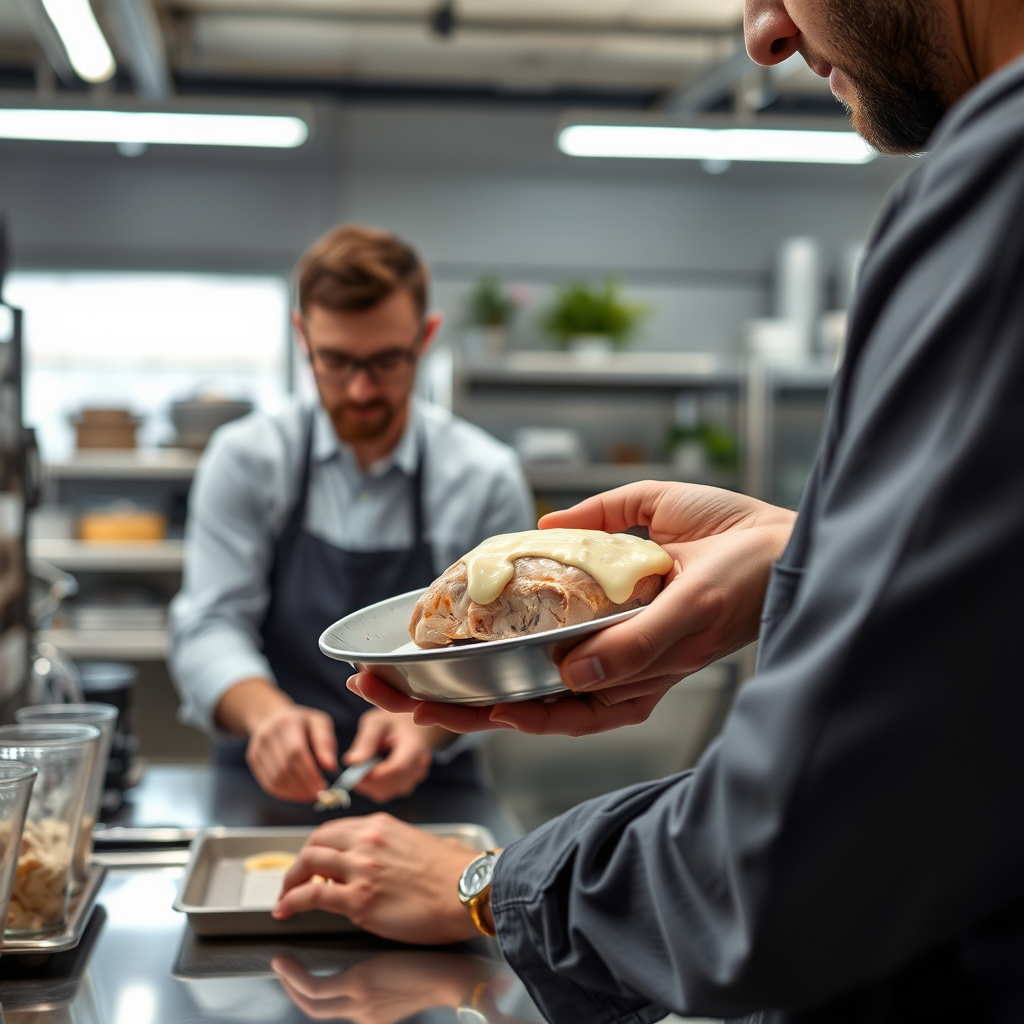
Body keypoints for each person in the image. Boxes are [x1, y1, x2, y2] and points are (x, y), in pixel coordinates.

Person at [270, 2, 1023, 1022]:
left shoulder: (992, 184)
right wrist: (805, 554)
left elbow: (783, 867)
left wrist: (493, 883)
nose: (763, 34)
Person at [170, 225, 533, 805]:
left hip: (433, 783)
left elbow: (508, 648)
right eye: (335, 362)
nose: (361, 390)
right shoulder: (246, 460)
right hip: (267, 783)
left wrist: (430, 720)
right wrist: (266, 717)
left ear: (426, 337)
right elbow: (209, 624)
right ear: (301, 337)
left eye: (387, 362)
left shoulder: (483, 475)